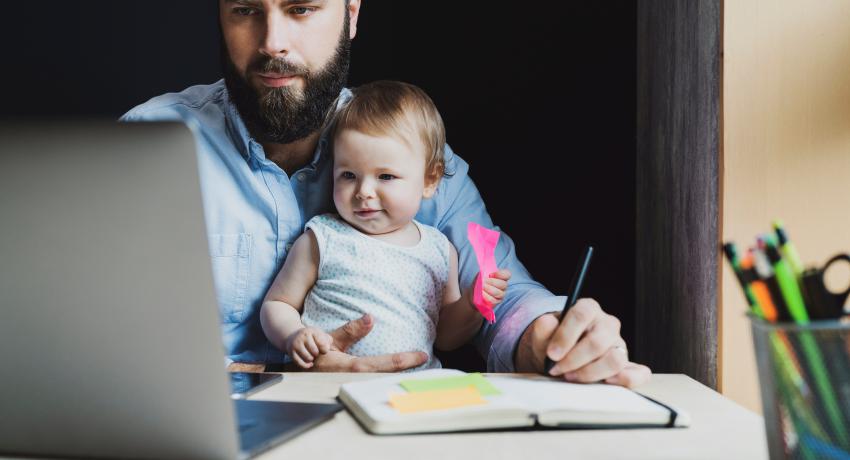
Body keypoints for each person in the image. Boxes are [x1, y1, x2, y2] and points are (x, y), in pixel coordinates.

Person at [121, 0, 650, 387]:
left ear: (351, 14)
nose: (271, 43)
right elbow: (89, 332)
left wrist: (547, 336)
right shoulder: (145, 144)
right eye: (244, 11)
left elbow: (501, 293)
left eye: (301, 9)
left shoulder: (410, 153)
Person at [260, 80, 511, 370]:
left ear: (430, 180)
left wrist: (472, 304)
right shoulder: (323, 238)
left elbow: (446, 338)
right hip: (330, 384)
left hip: (413, 391)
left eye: (386, 177)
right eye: (349, 175)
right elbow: (277, 304)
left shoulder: (440, 251)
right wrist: (294, 335)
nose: (364, 191)